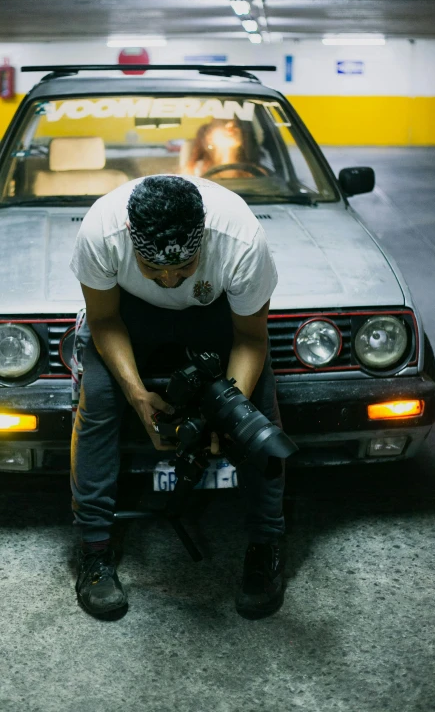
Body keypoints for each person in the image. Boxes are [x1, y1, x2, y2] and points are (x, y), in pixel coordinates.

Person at [69, 174, 286, 621]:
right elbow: (105, 320)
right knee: (98, 401)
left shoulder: (241, 240)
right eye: (155, 270)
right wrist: (135, 394)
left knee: (258, 414)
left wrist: (227, 413)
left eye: (183, 268)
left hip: (216, 313)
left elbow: (250, 338)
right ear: (131, 241)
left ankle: (266, 545)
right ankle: (94, 550)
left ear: (203, 238)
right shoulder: (101, 232)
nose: (169, 280)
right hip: (128, 313)